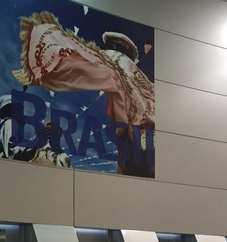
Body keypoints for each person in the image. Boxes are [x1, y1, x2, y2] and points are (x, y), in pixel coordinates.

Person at [12, 12, 155, 177]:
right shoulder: (143, 79)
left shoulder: (113, 61)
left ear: (113, 47)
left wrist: (39, 71)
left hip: (137, 140)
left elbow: (74, 64)